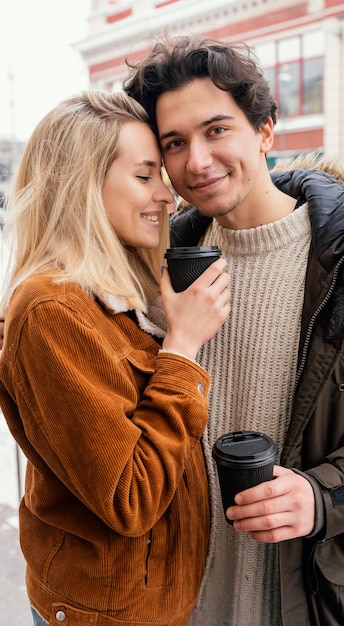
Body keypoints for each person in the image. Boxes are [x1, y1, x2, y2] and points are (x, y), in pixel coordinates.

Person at [124, 35, 344, 625]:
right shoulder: (158, 258)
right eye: (174, 143)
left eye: (216, 130)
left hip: (320, 595)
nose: (196, 162)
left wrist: (321, 495)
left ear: (265, 130)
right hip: (180, 597)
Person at [0, 90, 231, 626]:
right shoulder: (52, 309)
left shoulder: (119, 293)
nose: (168, 198)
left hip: (152, 601)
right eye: (145, 176)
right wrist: (183, 347)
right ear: (81, 185)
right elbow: (132, 496)